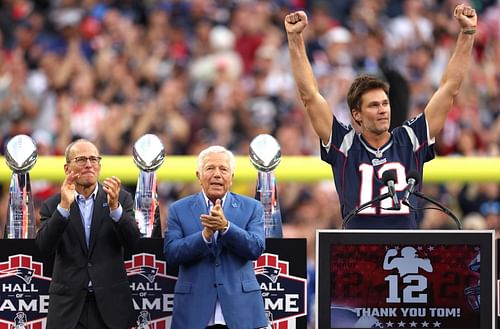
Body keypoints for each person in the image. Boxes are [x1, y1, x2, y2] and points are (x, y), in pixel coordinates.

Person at [284, 4, 477, 229]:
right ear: (357, 115)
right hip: (357, 255)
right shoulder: (346, 144)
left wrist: (468, 33)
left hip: (405, 254)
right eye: (374, 105)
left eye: (385, 103)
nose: (383, 109)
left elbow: (449, 89)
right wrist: (295, 37)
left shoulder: (409, 139)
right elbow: (310, 96)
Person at [35, 139, 140, 329]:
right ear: (67, 168)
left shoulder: (120, 198)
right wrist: (63, 208)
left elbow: (133, 242)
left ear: (99, 166)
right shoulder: (52, 205)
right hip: (68, 311)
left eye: (94, 159)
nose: (89, 165)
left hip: (111, 308)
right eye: (81, 159)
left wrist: (115, 209)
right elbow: (44, 248)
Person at [164, 145, 268, 329]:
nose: (217, 174)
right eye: (210, 168)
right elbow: (171, 253)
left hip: (241, 311)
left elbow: (256, 247)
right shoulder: (178, 209)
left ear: (232, 177)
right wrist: (204, 236)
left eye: (223, 169)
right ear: (198, 175)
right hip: (193, 312)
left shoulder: (252, 207)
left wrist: (226, 228)